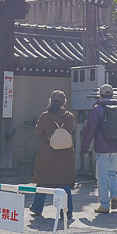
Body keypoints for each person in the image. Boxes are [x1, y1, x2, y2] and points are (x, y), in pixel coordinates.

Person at [82, 84, 117, 214]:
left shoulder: (98, 108)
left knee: (101, 177)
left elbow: (90, 129)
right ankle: (113, 196)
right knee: (112, 173)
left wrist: (85, 148)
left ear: (100, 94)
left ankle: (104, 205)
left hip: (103, 148)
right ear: (112, 94)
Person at [30, 90, 76, 220]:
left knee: (43, 181)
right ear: (64, 102)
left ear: (50, 101)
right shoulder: (70, 116)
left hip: (47, 153)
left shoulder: (45, 116)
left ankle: (37, 208)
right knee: (64, 182)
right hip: (65, 155)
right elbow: (71, 130)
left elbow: (38, 130)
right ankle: (67, 211)